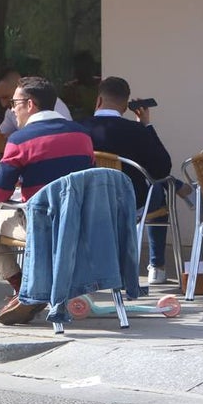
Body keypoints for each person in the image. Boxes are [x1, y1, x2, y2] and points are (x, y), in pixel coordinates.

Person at [0, 76, 94, 324]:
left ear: (30, 104)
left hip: (40, 226)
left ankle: (23, 287)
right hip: (80, 226)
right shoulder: (82, 135)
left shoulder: (20, 140)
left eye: (14, 103)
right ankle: (29, 289)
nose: (12, 109)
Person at [80, 76, 173, 285]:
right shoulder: (137, 131)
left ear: (98, 101)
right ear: (125, 105)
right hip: (130, 203)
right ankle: (157, 267)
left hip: (87, 201)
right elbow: (163, 168)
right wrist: (146, 125)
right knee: (159, 189)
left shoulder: (77, 128)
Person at [0, 68, 72, 135]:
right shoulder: (11, 112)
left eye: (5, 97)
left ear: (19, 87)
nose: (3, 104)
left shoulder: (52, 103)